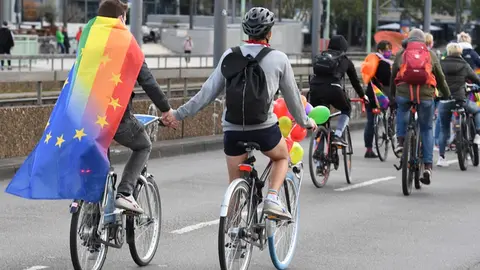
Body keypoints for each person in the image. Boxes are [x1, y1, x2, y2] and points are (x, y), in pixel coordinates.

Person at [172, 7, 316, 220]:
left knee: (234, 183)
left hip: (233, 131)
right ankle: (273, 198)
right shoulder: (279, 59)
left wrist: (178, 114)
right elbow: (293, 99)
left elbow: (206, 93)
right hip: (264, 129)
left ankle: (233, 230)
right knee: (282, 157)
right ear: (269, 32)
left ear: (246, 32)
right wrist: (305, 122)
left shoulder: (230, 56)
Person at [85, 0, 177, 213]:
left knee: (101, 163)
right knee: (143, 144)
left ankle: (92, 211)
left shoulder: (90, 41)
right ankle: (125, 192)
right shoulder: (126, 43)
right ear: (119, 19)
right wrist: (166, 110)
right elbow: (147, 81)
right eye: (124, 19)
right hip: (115, 118)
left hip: (86, 117)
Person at [391, 28, 451, 185]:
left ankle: (401, 142)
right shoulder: (430, 54)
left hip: (403, 93)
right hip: (425, 96)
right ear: (424, 41)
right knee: (426, 129)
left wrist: (393, 95)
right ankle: (428, 167)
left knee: (402, 111)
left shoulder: (401, 54)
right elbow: (440, 77)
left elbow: (393, 75)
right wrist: (446, 94)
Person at [309, 35, 369, 146]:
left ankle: (318, 159)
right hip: (333, 89)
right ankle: (337, 135)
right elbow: (355, 81)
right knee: (346, 108)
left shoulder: (321, 56)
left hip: (315, 89)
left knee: (321, 122)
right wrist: (362, 95)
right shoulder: (345, 60)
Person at [437, 42, 480, 167]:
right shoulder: (464, 65)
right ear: (460, 52)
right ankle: (477, 133)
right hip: (460, 99)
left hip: (445, 99)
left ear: (448, 52)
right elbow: (476, 79)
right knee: (477, 110)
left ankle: (441, 157)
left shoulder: (441, 63)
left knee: (444, 129)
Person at [361, 40, 393, 158]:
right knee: (392, 110)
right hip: (382, 95)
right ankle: (389, 131)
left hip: (370, 93)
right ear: (380, 50)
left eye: (390, 50)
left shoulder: (372, 61)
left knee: (370, 122)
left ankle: (368, 148)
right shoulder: (384, 64)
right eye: (386, 50)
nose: (389, 52)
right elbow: (388, 82)